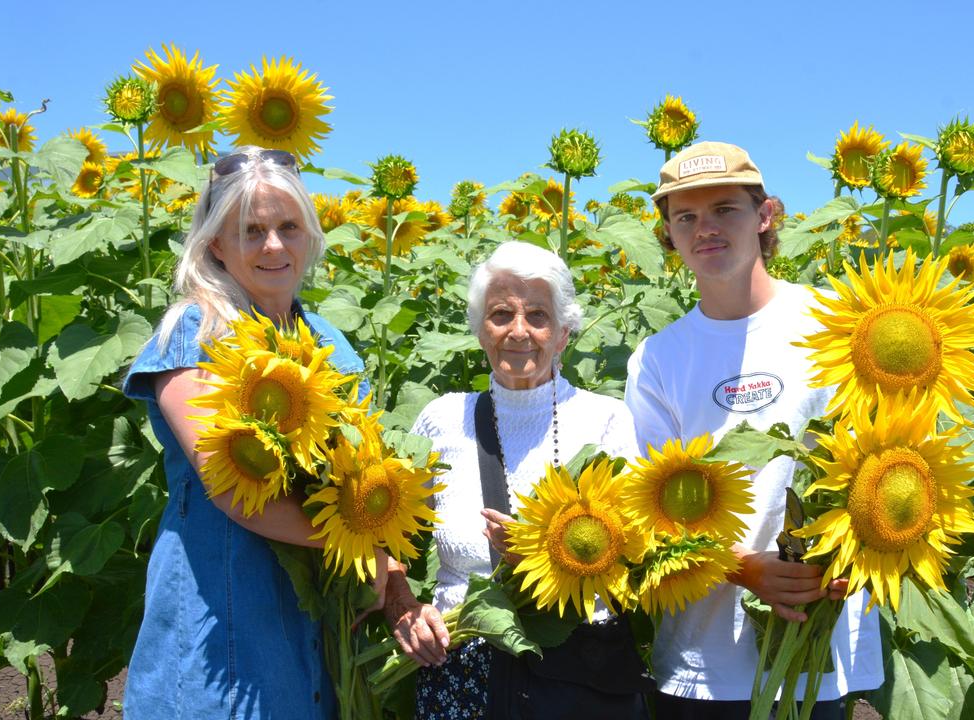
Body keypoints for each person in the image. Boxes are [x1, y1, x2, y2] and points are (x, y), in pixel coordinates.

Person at [624, 142, 884, 719]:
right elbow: (646, 512)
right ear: (668, 232)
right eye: (685, 217)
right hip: (702, 657)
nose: (705, 229)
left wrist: (851, 556)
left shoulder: (838, 324)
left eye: (725, 210)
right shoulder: (659, 358)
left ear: (765, 216)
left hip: (820, 639)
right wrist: (746, 569)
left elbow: (886, 454)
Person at [122, 146, 381, 719]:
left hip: (314, 612)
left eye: (288, 227)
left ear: (310, 236)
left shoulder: (332, 343)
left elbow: (364, 467)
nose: (273, 245)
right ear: (216, 243)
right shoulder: (194, 334)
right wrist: (364, 543)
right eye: (251, 230)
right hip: (224, 605)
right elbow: (236, 489)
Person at [381, 241, 648, 719]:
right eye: (501, 314)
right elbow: (385, 536)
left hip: (574, 674)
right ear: (480, 329)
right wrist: (402, 605)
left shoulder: (606, 421)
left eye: (538, 316)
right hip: (459, 672)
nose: (518, 331)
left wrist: (545, 557)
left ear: (564, 333)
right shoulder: (442, 420)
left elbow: (633, 556)